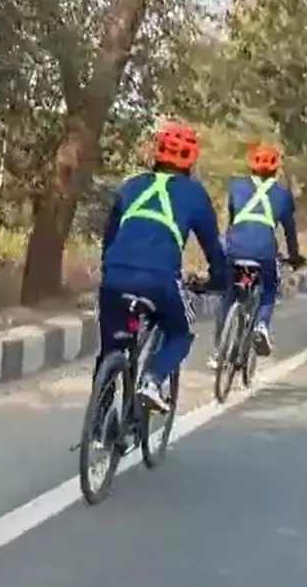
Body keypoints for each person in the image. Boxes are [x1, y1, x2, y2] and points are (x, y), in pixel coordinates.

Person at [99, 121, 227, 413]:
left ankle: (97, 426)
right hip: (159, 280)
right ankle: (153, 381)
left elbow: (109, 236)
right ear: (191, 160)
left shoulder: (131, 185)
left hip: (115, 276)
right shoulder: (195, 194)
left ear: (156, 155)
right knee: (180, 332)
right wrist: (218, 280)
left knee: (111, 348)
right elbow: (213, 249)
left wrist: (109, 270)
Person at [217, 142, 307, 357]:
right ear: (277, 168)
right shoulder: (283, 195)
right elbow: (289, 232)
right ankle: (261, 326)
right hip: (264, 251)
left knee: (228, 295)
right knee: (268, 289)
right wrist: (294, 256)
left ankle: (221, 348)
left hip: (234, 247)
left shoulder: (236, 186)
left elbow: (231, 220)